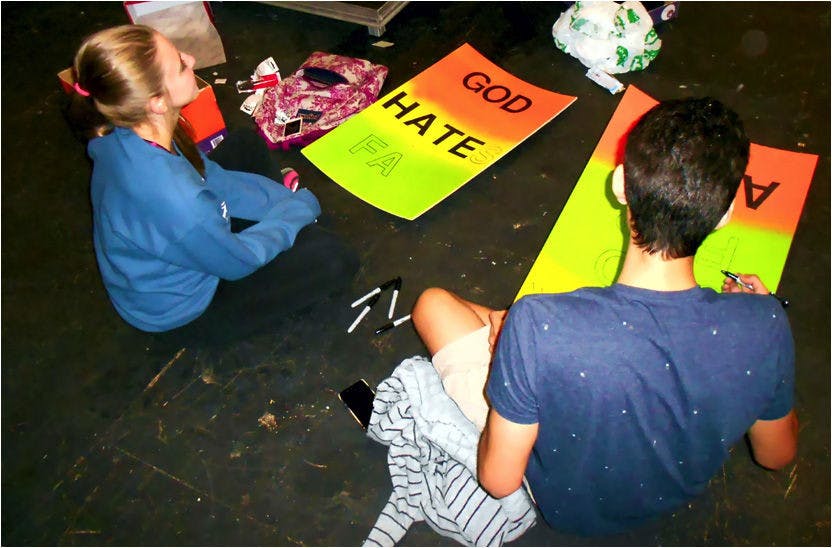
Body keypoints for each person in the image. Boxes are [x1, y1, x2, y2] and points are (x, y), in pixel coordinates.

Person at [410, 98, 798, 535]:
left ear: (620, 186)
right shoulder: (766, 324)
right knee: (512, 329)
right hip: (671, 492)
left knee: (434, 305)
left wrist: (509, 361)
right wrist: (759, 316)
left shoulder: (541, 324)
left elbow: (499, 482)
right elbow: (775, 455)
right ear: (726, 215)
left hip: (563, 502)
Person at [66, 25, 358, 340]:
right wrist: (296, 213)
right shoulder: (177, 199)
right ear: (157, 102)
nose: (190, 59)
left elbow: (211, 177)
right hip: (183, 309)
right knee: (336, 259)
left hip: (183, 238)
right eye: (180, 64)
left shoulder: (130, 128)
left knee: (245, 143)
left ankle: (289, 225)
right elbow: (239, 261)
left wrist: (283, 205)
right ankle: (294, 230)